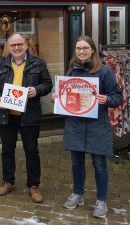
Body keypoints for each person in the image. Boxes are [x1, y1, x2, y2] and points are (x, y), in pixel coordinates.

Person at [52, 36, 122, 218]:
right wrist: (57, 99)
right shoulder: (70, 73)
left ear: (92, 50)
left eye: (84, 48)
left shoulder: (104, 72)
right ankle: (78, 193)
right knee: (76, 162)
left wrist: (107, 99)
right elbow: (66, 98)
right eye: (78, 48)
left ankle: (101, 200)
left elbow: (117, 97)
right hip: (75, 125)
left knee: (99, 164)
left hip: (97, 125)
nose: (81, 52)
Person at [0, 32, 52, 203]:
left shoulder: (38, 64)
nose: (16, 48)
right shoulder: (0, 64)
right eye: (13, 45)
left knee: (31, 151)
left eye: (19, 44)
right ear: (9, 46)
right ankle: (8, 181)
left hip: (29, 114)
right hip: (6, 115)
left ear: (26, 45)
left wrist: (37, 90)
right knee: (7, 151)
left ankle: (34, 185)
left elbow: (48, 84)